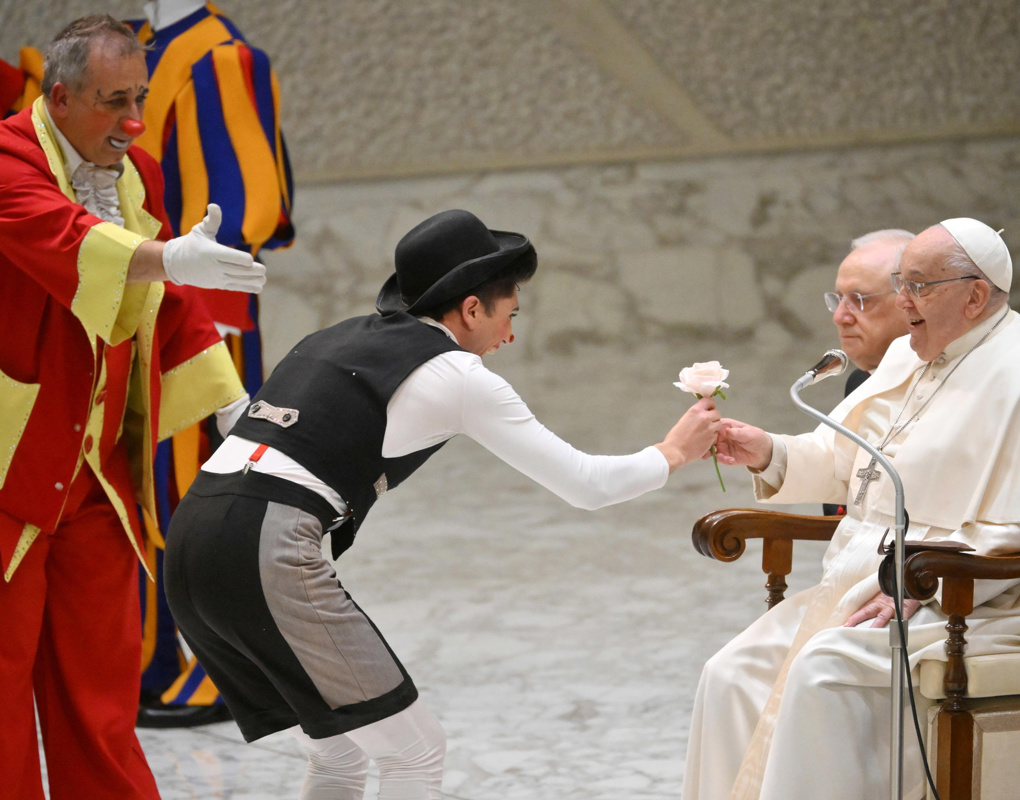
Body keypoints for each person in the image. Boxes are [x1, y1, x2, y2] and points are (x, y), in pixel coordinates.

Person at [163, 208, 722, 799]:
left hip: (191, 540)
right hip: (262, 547)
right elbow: (585, 483)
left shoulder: (330, 336)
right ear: (472, 309)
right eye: (509, 315)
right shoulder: (456, 372)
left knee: (342, 753)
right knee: (415, 751)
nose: (509, 335)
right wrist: (672, 452)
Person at [684, 218, 1020, 800]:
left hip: (991, 600)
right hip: (875, 585)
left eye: (918, 287)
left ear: (975, 296)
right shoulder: (909, 356)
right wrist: (770, 453)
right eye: (901, 284)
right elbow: (848, 459)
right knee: (730, 673)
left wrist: (925, 583)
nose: (904, 302)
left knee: (824, 671)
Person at [0, 15, 265, 799]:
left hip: (95, 478)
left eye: (140, 98)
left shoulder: (130, 173)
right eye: (117, 102)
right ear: (60, 98)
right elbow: (64, 240)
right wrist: (168, 254)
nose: (135, 122)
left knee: (101, 691)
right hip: (9, 474)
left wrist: (230, 399)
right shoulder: (8, 159)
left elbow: (162, 300)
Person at [126, 0, 296, 728]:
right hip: (140, 308)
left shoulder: (220, 56)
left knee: (192, 493)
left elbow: (241, 205)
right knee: (146, 489)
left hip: (197, 323)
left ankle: (207, 669)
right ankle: (150, 658)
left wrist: (197, 322)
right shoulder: (142, 45)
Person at [821, 228, 912, 515]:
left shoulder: (949, 385)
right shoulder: (859, 381)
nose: (840, 317)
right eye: (839, 299)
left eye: (859, 299)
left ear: (910, 300)